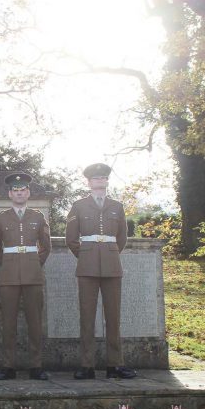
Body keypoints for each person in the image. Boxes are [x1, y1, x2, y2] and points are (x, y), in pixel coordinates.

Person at [65, 163, 135, 380]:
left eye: (103, 178)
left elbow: (121, 238)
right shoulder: (78, 206)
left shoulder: (117, 206)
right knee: (87, 316)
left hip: (112, 266)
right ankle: (87, 365)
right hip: (87, 266)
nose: (99, 182)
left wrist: (111, 253)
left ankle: (115, 364)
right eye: (95, 179)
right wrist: (86, 255)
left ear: (107, 181)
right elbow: (71, 238)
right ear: (88, 182)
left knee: (113, 317)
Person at [0, 173, 51, 381]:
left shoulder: (38, 216)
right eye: (16, 191)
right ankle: (8, 366)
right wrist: (8, 264)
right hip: (9, 276)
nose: (19, 193)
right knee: (8, 323)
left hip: (33, 275)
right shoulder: (1, 218)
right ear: (10, 194)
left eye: (23, 190)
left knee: (35, 322)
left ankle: (36, 366)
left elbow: (46, 246)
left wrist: (34, 263)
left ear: (28, 193)